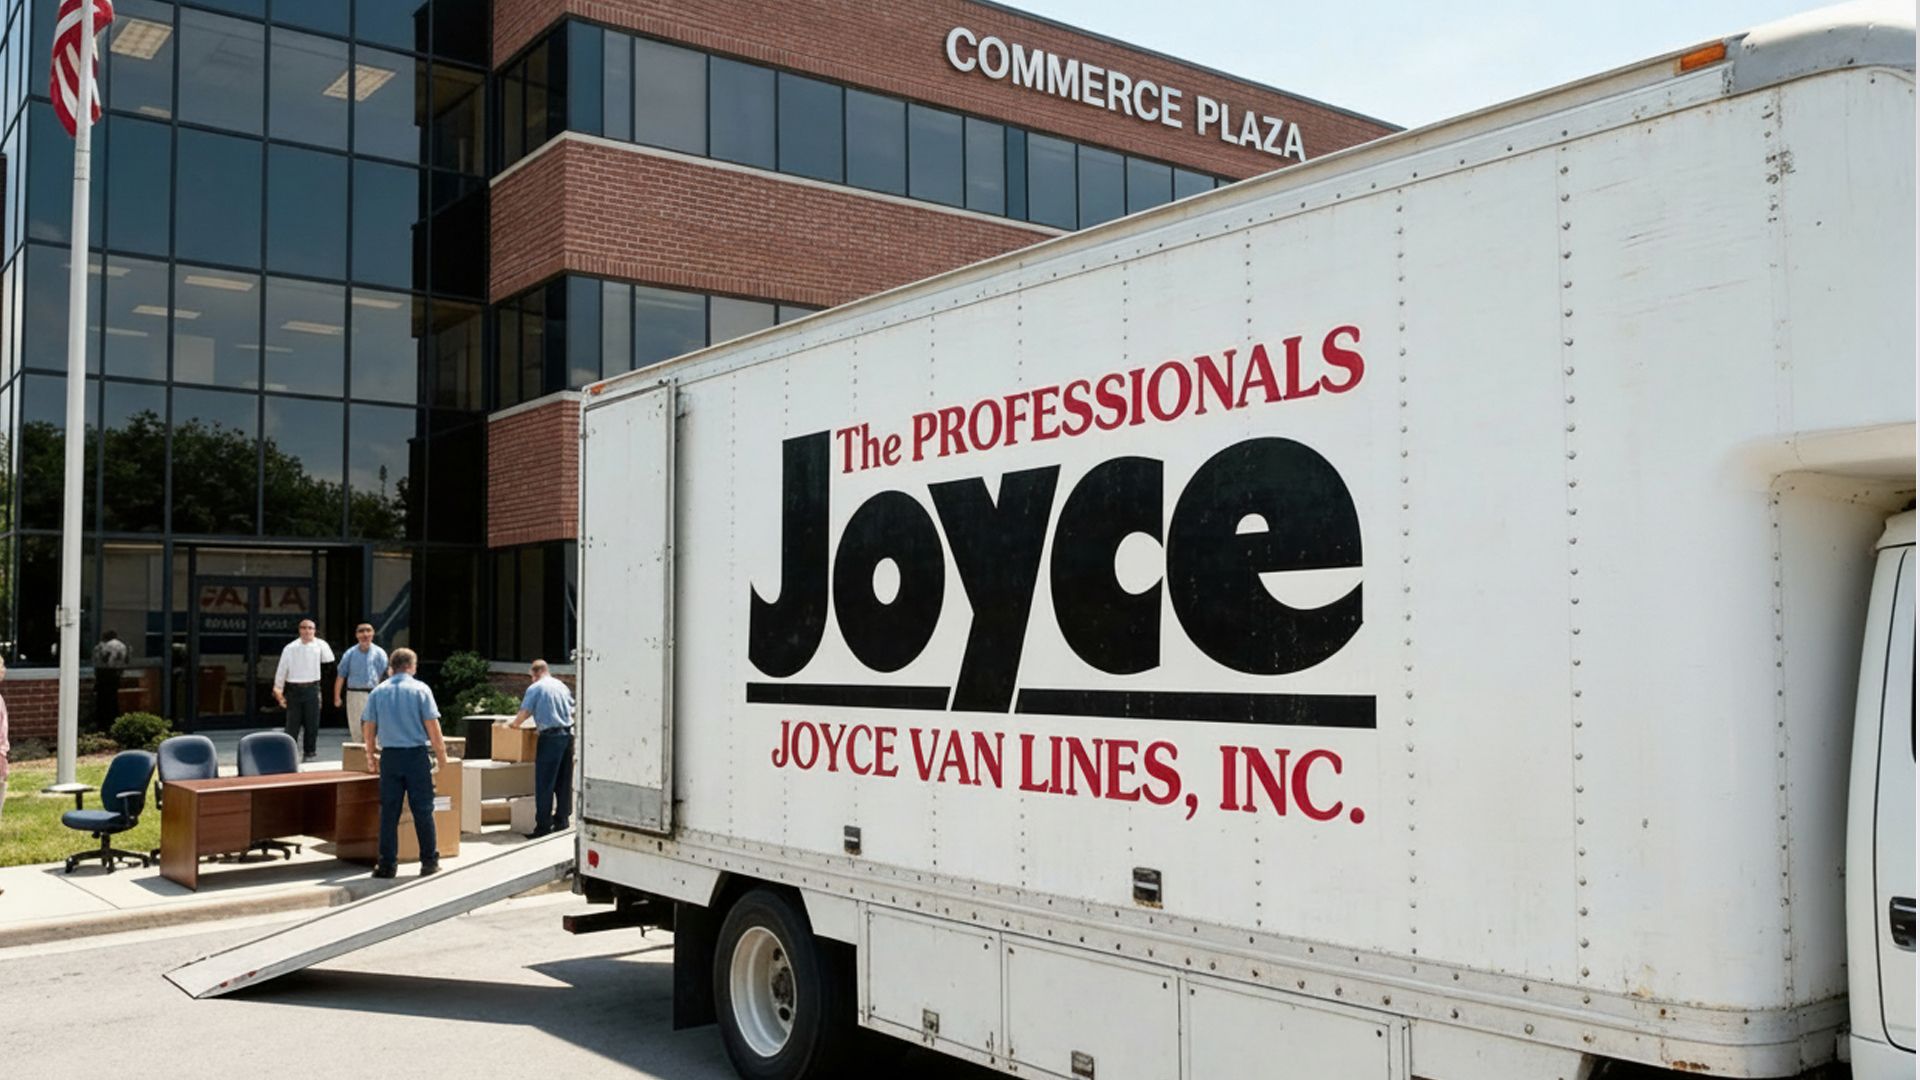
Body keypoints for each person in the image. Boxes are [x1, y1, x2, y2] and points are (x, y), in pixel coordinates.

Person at [359, 647, 448, 878]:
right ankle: (429, 862)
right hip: (416, 756)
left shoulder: (378, 692)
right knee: (423, 811)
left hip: (390, 757)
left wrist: (370, 755)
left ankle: (387, 864)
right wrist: (442, 756)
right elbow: (433, 727)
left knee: (389, 812)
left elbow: (368, 727)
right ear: (412, 666)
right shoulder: (421, 690)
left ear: (392, 666)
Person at [514, 659, 575, 838]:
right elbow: (572, 709)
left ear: (535, 674)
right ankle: (562, 820)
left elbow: (525, 712)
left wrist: (514, 725)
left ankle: (542, 826)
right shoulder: (561, 686)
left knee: (545, 783)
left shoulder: (536, 688)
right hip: (568, 735)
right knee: (564, 781)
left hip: (550, 738)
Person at [272, 619, 335, 762]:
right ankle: (288, 754)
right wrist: (278, 689)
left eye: (310, 628)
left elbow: (329, 664)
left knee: (312, 723)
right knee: (292, 725)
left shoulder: (321, 645)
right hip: (294, 689)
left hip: (312, 688)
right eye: (304, 628)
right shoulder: (290, 648)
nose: (307, 631)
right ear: (299, 630)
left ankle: (310, 752)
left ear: (314, 630)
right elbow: (282, 670)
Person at [333, 623, 390, 737]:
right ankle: (359, 754)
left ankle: (373, 754)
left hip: (374, 693)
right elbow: (341, 675)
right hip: (355, 694)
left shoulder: (380, 653)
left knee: (376, 729)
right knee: (356, 729)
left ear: (373, 634)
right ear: (356, 635)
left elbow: (384, 676)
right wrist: (337, 697)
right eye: (361, 631)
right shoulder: (350, 654)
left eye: (368, 631)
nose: (365, 634)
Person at [91, 630, 129, 734]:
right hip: (116, 675)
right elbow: (125, 661)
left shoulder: (101, 646)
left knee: (102, 701)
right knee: (113, 699)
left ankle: (103, 724)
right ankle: (113, 722)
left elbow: (98, 662)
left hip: (104, 675)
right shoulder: (122, 646)